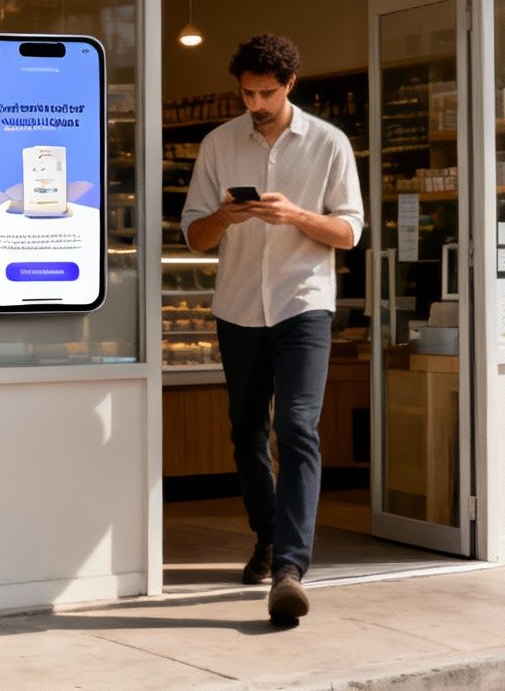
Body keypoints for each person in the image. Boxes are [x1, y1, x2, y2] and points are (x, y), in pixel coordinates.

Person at [179, 33, 363, 626]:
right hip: (237, 306)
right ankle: (265, 536)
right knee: (245, 430)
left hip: (303, 303)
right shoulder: (217, 144)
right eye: (247, 92)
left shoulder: (329, 144)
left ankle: (289, 569)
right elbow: (192, 236)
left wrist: (297, 216)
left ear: (290, 85)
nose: (254, 103)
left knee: (297, 425)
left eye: (265, 92)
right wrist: (224, 217)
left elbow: (350, 232)